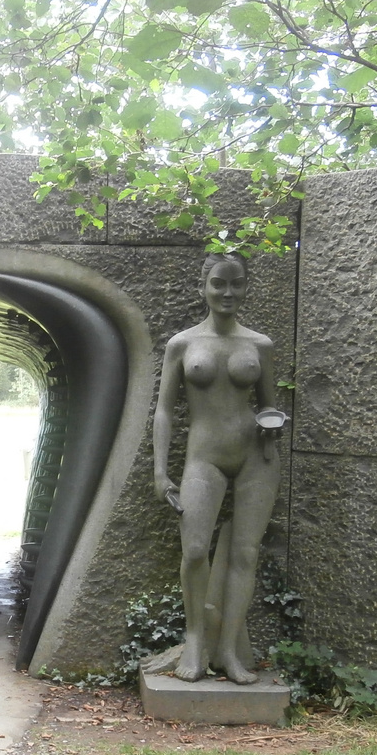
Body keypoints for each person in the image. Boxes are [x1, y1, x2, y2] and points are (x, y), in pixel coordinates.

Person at [152, 254, 286, 685]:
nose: (228, 292)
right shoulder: (183, 344)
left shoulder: (260, 345)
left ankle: (228, 649)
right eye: (218, 284)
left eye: (237, 284)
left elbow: (268, 403)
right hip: (203, 457)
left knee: (245, 553)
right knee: (194, 551)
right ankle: (195, 641)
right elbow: (164, 411)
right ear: (203, 287)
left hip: (256, 459)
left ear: (246, 288)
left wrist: (274, 423)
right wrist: (159, 471)